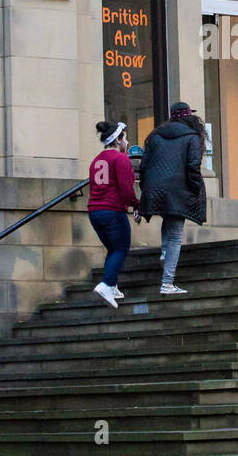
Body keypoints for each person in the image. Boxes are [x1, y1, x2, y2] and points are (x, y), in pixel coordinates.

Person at [138, 102, 207, 296]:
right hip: (177, 189)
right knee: (176, 235)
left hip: (155, 188)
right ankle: (167, 283)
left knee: (168, 220)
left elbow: (143, 165)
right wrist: (195, 189)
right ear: (189, 117)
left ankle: (164, 253)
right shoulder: (192, 137)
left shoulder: (155, 136)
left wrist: (147, 187)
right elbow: (193, 167)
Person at [87, 120, 139, 308]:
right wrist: (136, 204)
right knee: (121, 249)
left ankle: (113, 285)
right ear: (117, 140)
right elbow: (126, 189)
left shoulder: (96, 160)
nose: (127, 142)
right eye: (125, 138)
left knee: (112, 248)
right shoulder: (121, 159)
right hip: (113, 211)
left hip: (94, 211)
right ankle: (107, 284)